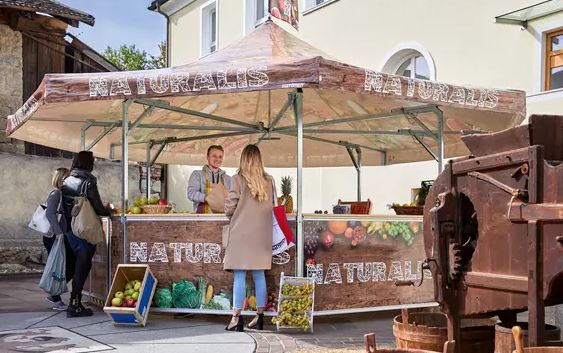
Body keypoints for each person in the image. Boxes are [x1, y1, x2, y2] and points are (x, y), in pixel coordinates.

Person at [223, 144, 274, 331]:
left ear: (243, 159)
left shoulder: (237, 179)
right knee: (260, 275)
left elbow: (230, 206)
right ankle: (260, 317)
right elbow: (274, 205)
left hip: (241, 233)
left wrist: (231, 214)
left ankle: (236, 318)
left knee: (239, 275)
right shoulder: (269, 181)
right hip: (262, 235)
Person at [61, 151, 111, 317]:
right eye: (93, 161)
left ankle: (73, 301)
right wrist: (108, 211)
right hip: (84, 228)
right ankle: (74, 305)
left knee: (78, 266)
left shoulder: (66, 180)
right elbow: (97, 207)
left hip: (69, 229)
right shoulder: (88, 181)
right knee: (83, 266)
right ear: (88, 163)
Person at [43, 167, 76, 311]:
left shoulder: (64, 195)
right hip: (55, 236)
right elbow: (50, 214)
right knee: (60, 266)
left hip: (62, 235)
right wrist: (58, 233)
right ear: (62, 179)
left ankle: (53, 292)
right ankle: (55, 297)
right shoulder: (56, 193)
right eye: (68, 178)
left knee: (70, 264)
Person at [187, 145, 232, 213]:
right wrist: (206, 198)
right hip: (202, 218)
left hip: (222, 218)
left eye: (220, 157)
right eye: (214, 156)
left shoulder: (228, 179)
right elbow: (191, 193)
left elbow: (233, 199)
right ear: (207, 157)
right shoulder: (197, 175)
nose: (217, 159)